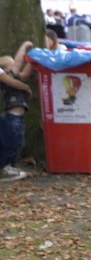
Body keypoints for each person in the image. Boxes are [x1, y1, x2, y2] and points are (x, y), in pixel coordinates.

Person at [0, 42, 35, 182]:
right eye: (11, 65)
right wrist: (26, 88)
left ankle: (8, 167)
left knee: (16, 143)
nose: (15, 66)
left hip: (16, 119)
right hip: (11, 118)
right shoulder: (7, 78)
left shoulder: (13, 77)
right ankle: (4, 168)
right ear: (5, 69)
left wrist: (33, 60)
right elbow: (19, 62)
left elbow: (25, 73)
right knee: (12, 143)